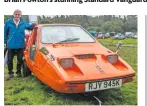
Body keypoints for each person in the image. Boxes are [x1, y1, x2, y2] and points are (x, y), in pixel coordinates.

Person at [4, 9, 37, 78]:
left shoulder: (23, 22)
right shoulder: (8, 22)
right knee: (10, 60)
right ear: (13, 15)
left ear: (20, 15)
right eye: (16, 14)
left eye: (19, 14)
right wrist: (5, 42)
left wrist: (34, 24)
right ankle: (10, 73)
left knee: (19, 60)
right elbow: (5, 33)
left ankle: (18, 72)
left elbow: (29, 26)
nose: (17, 16)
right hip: (11, 44)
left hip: (20, 44)